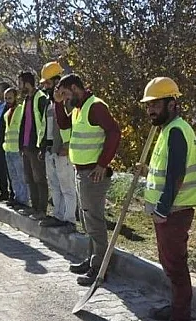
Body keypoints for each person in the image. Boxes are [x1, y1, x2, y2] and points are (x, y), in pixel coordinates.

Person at [138, 77, 196, 321]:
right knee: (169, 263)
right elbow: (165, 170)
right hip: (170, 211)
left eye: (156, 104)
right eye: (149, 105)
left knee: (176, 265)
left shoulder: (177, 130)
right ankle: (176, 307)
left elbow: (175, 176)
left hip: (174, 212)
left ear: (172, 103)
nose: (151, 110)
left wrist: (163, 209)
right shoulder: (168, 129)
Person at [54, 74, 121, 286]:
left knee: (94, 221)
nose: (64, 99)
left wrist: (103, 163)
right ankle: (91, 260)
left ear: (75, 88)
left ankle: (99, 268)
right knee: (86, 219)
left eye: (65, 94)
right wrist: (57, 104)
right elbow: (63, 123)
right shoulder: (78, 108)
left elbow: (114, 133)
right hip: (81, 171)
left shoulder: (95, 106)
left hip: (94, 172)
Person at [39, 62, 77, 232]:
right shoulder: (49, 102)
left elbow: (72, 124)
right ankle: (58, 215)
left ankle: (70, 220)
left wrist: (68, 145)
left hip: (63, 150)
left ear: (56, 80)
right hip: (50, 150)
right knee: (55, 185)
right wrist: (44, 147)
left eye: (47, 82)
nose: (45, 86)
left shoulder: (68, 101)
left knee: (67, 187)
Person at [18, 71, 49, 220]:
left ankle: (42, 210)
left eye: (20, 83)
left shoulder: (41, 98)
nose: (19, 86)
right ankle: (34, 207)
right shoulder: (26, 100)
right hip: (26, 146)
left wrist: (42, 146)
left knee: (40, 179)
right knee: (29, 178)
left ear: (27, 83)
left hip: (36, 146)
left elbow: (45, 123)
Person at [2, 87, 30, 211]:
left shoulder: (21, 110)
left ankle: (24, 200)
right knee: (13, 176)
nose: (8, 100)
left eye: (10, 98)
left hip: (17, 149)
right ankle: (17, 198)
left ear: (15, 97)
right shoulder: (6, 113)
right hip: (8, 149)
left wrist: (23, 146)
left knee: (21, 176)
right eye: (6, 98)